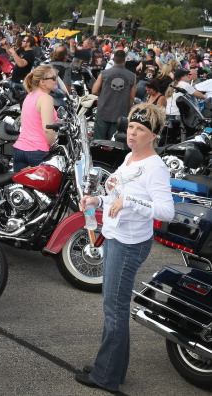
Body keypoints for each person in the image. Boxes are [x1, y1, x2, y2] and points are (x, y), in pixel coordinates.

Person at [76, 103, 174, 393]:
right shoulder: (131, 158)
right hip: (117, 236)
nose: (132, 133)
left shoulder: (155, 167)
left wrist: (130, 203)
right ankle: (111, 367)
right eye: (131, 126)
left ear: (153, 135)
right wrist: (98, 201)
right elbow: (118, 195)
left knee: (114, 309)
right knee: (113, 307)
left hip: (130, 243)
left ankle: (106, 377)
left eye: (140, 129)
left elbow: (166, 211)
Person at [12, 65, 58, 172]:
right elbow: (47, 129)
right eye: (53, 78)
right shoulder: (46, 98)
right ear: (42, 82)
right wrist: (55, 147)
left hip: (19, 149)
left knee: (22, 188)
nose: (56, 80)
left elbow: (24, 124)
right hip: (39, 152)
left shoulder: (29, 96)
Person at [91, 50, 136, 140]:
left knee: (98, 142)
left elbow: (94, 91)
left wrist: (104, 93)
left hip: (103, 112)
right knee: (115, 143)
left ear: (113, 59)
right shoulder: (132, 76)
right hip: (120, 115)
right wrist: (126, 111)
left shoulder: (104, 73)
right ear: (125, 60)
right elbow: (132, 97)